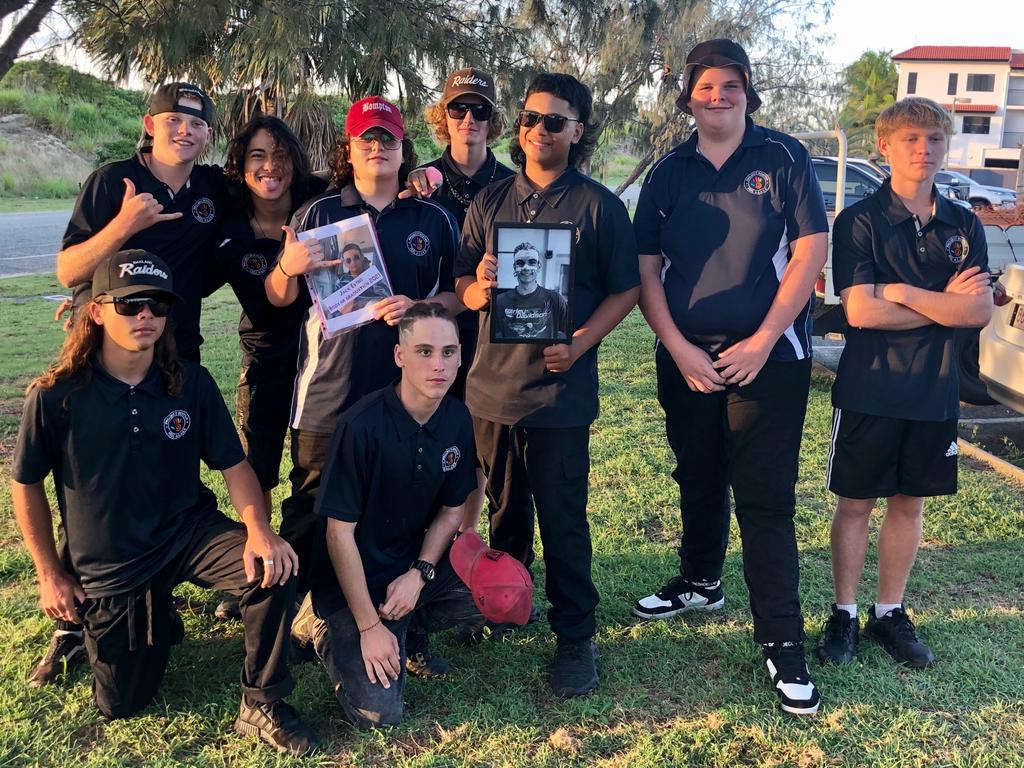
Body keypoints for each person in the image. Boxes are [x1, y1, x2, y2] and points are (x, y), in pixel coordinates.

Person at [11, 251, 318, 756]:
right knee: (123, 702)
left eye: (157, 304)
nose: (145, 316)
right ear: (97, 312)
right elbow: (24, 485)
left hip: (186, 532)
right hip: (114, 559)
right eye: (130, 304)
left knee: (273, 566)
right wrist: (49, 573)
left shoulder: (188, 381)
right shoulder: (56, 396)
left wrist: (259, 529)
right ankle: (101, 624)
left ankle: (262, 702)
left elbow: (234, 466)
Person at [630, 39, 828, 715]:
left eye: (731, 85)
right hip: (687, 356)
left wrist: (765, 337)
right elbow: (647, 268)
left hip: (768, 360)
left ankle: (782, 642)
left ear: (749, 90)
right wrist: (678, 346)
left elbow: (809, 250)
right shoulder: (668, 172)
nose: (718, 97)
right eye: (706, 86)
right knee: (699, 473)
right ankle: (700, 579)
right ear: (687, 95)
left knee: (765, 498)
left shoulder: (784, 157)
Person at [31, 82, 225, 687]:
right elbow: (66, 269)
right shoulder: (113, 181)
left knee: (169, 475)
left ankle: (158, 591)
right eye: (174, 118)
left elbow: (280, 189)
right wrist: (125, 223)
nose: (185, 130)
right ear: (150, 122)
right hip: (102, 357)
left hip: (175, 353)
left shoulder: (211, 190)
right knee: (92, 487)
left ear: (208, 134)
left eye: (197, 122)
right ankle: (69, 619)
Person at [456, 72, 640, 697]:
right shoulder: (490, 202)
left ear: (578, 131)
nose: (538, 130)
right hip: (490, 390)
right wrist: (477, 288)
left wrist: (582, 342)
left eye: (554, 121)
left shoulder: (598, 206)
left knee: (563, 517)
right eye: (530, 118)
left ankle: (575, 635)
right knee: (506, 508)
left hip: (560, 392)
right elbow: (463, 284)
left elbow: (627, 289)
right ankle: (509, 603)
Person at [264, 96, 461, 671]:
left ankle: (410, 624)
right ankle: (299, 618)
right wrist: (287, 267)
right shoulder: (316, 214)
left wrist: (421, 304)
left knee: (410, 505)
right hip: (329, 392)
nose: (378, 147)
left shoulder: (434, 216)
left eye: (388, 138)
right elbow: (278, 299)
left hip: (408, 397)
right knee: (310, 513)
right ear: (349, 149)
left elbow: (456, 297)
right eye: (366, 139)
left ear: (404, 148)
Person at [817, 97, 992, 669]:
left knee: (909, 504)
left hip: (934, 389)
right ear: (885, 148)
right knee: (855, 503)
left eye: (934, 139)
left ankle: (887, 610)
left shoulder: (963, 223)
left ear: (946, 146)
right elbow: (861, 314)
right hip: (870, 388)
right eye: (911, 139)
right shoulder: (860, 221)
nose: (924, 149)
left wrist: (904, 293)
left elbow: (978, 313)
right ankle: (843, 612)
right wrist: (947, 304)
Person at [291, 302, 482, 729]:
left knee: (494, 590)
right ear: (400, 356)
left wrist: (419, 572)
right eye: (425, 352)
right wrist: (367, 625)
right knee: (379, 713)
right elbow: (338, 534)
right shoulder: (360, 426)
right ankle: (321, 624)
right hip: (353, 582)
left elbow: (453, 510)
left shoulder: (457, 418)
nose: (439, 365)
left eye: (449, 352)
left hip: (408, 568)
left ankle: (409, 628)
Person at [202, 115, 327, 620]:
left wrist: (415, 177)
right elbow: (182, 270)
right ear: (241, 163)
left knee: (312, 464)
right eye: (257, 156)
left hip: (321, 353)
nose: (270, 167)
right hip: (264, 354)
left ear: (295, 161)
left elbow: (371, 182)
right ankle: (254, 562)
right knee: (256, 464)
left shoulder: (319, 197)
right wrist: (93, 295)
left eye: (279, 156)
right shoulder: (226, 217)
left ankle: (300, 570)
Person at [492, 241, 569, 340]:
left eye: (532, 262)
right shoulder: (499, 301)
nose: (526, 267)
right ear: (514, 267)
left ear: (539, 266)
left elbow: (565, 335)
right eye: (520, 263)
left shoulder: (556, 299)